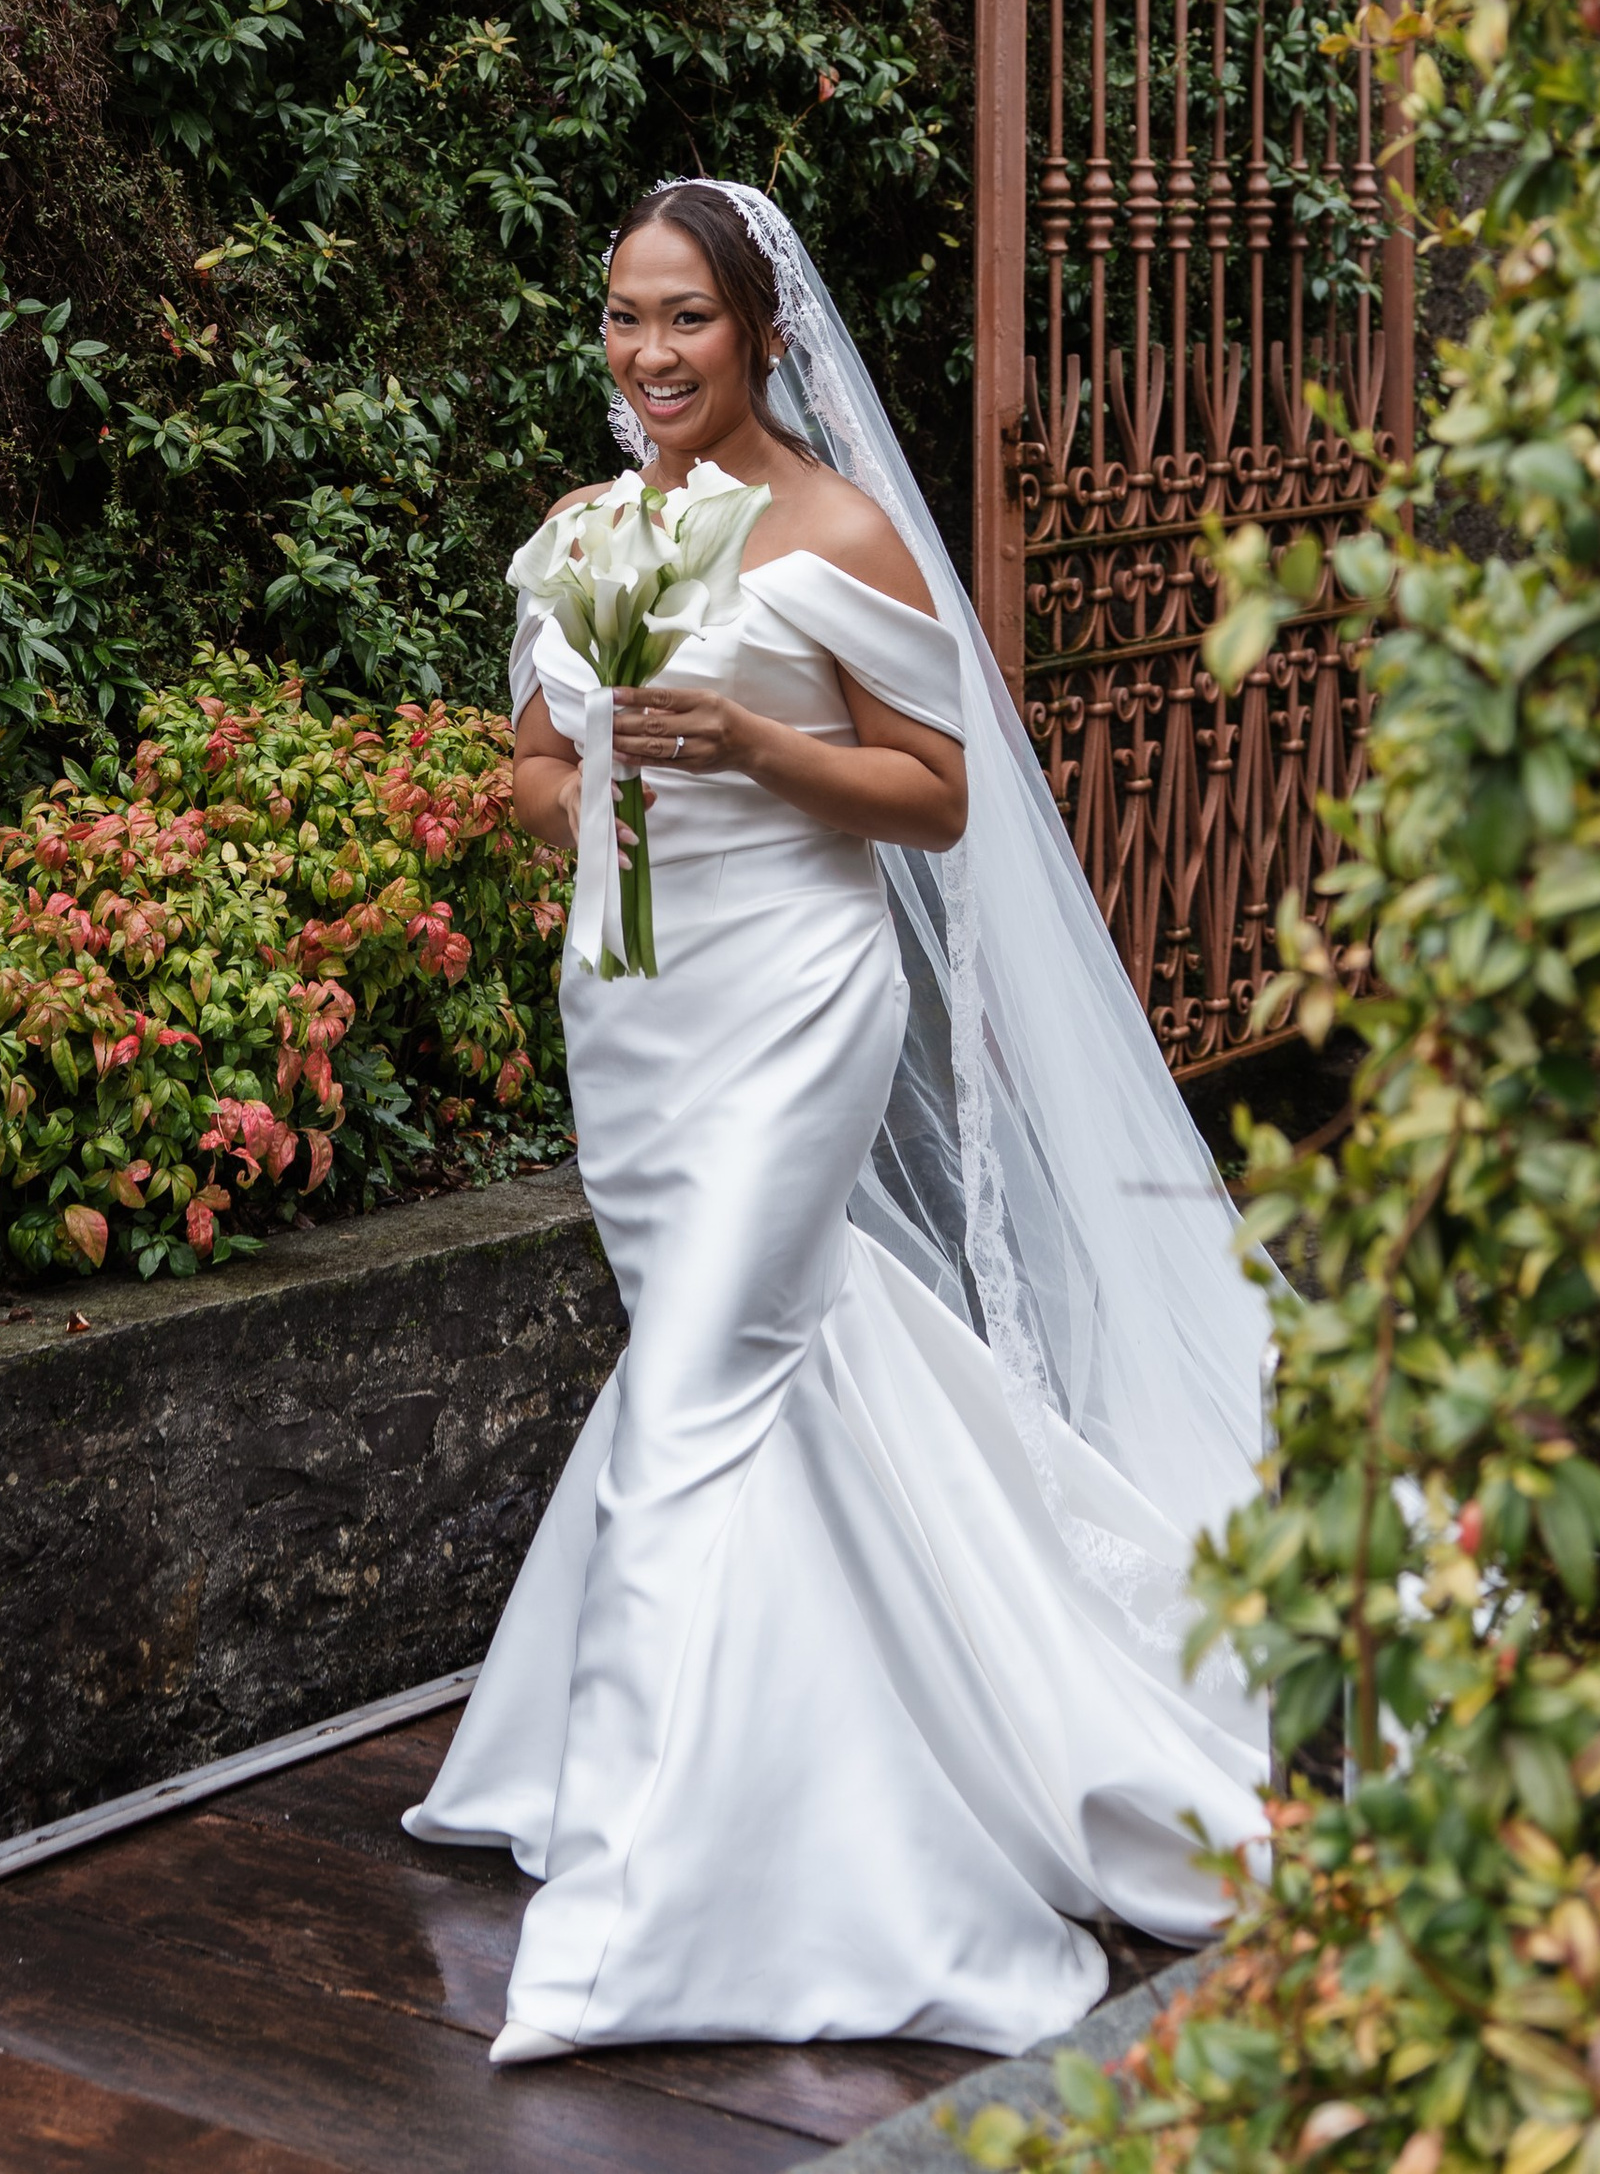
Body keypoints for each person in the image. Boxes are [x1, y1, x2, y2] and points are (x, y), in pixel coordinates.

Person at [407, 177, 1270, 2063]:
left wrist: (757, 749)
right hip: (629, 1018)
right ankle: (893, 1719)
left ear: (763, 332)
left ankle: (640, 1887)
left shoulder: (844, 534)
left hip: (797, 1008)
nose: (650, 355)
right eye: (625, 319)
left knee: (708, 1375)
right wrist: (584, 797)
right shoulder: (581, 533)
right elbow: (533, 771)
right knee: (755, 1370)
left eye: (686, 322)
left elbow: (940, 798)